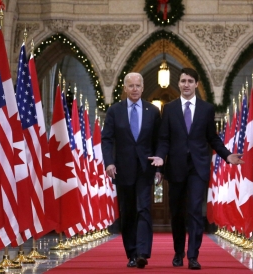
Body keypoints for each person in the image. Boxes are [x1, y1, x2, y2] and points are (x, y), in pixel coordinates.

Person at [149, 68, 244, 270]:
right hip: (175, 168)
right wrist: (159, 156)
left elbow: (212, 138)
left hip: (198, 168)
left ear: (196, 84)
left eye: (190, 81)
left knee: (194, 211)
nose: (186, 84)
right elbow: (164, 138)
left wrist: (227, 155)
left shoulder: (206, 109)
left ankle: (193, 255)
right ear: (179, 83)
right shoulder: (170, 108)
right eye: (183, 81)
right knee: (177, 213)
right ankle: (178, 252)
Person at [102, 72, 161, 269]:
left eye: (138, 85)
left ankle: (143, 252)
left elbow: (159, 140)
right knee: (127, 212)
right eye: (131, 86)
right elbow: (107, 139)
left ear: (143, 88)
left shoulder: (152, 111)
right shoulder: (114, 111)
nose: (135, 89)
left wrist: (160, 165)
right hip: (122, 169)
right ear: (125, 89)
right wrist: (109, 162)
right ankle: (132, 253)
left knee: (143, 208)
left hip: (145, 168)